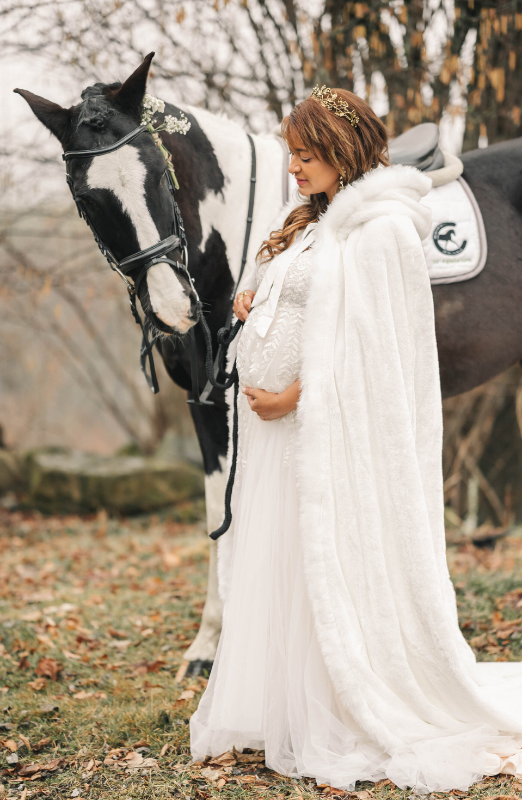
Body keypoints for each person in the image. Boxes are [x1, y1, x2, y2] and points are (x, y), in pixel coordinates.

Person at [190, 87, 522, 793]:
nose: (292, 169)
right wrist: (258, 297)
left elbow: (371, 345)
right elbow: (301, 296)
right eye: (290, 154)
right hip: (276, 438)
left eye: (306, 156)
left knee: (323, 562)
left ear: (341, 154)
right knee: (280, 561)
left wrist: (295, 395)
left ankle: (338, 703)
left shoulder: (382, 230)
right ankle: (284, 699)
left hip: (320, 430)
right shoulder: (307, 220)